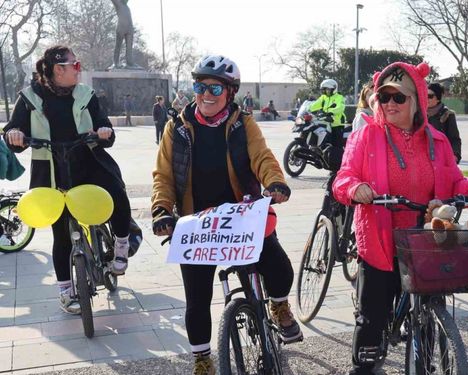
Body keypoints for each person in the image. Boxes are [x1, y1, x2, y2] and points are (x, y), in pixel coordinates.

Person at [332, 61, 468, 375]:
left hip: (425, 241)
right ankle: (362, 367)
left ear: (416, 100)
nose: (389, 103)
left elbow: (455, 179)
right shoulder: (366, 137)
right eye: (384, 97)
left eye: (398, 97)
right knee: (372, 314)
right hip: (379, 239)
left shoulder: (438, 140)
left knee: (432, 309)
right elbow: (343, 177)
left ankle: (427, 357)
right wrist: (356, 187)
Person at [151, 54, 302, 375]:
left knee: (278, 267)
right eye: (199, 86)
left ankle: (277, 305)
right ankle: (202, 359)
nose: (205, 94)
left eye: (215, 89)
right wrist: (162, 209)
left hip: (242, 214)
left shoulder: (242, 123)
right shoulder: (175, 127)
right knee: (197, 300)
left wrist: (274, 182)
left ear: (230, 93)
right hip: (197, 222)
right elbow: (163, 175)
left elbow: (262, 156)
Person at [3, 45, 134, 314]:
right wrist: (14, 134)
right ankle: (66, 291)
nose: (79, 69)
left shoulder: (87, 95)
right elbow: (13, 131)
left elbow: (102, 123)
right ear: (58, 70)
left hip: (88, 162)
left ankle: (121, 244)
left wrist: (104, 130)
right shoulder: (29, 99)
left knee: (117, 194)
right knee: (61, 234)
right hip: (50, 171)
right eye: (75, 65)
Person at [427, 82, 462, 163]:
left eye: (430, 96)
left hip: (442, 159)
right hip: (423, 160)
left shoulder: (447, 115)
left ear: (438, 98)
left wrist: (455, 156)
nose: (426, 98)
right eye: (424, 95)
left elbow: (455, 139)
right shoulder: (419, 114)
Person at [309, 79, 346, 148]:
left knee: (336, 144)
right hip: (325, 121)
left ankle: (337, 156)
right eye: (324, 90)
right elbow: (315, 105)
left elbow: (340, 107)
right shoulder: (323, 97)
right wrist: (308, 109)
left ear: (333, 89)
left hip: (336, 123)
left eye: (328, 90)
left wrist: (331, 112)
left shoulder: (339, 97)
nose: (326, 92)